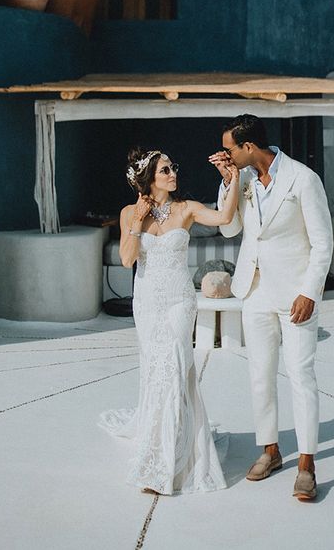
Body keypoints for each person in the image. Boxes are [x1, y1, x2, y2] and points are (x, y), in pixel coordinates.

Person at [100, 147, 240, 495]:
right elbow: (127, 260)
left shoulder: (185, 209)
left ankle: (165, 461)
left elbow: (224, 218)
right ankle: (165, 440)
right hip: (147, 303)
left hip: (179, 300)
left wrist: (232, 179)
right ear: (149, 180)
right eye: (165, 170)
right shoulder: (130, 213)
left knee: (175, 367)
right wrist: (136, 223)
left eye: (173, 167)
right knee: (156, 369)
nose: (173, 173)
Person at [209, 115, 333, 502]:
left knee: (301, 376)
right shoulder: (241, 179)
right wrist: (229, 181)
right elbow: (228, 229)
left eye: (229, 149)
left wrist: (309, 291)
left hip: (296, 294)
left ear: (249, 147)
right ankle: (271, 451)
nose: (224, 155)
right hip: (254, 290)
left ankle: (307, 465)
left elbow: (323, 243)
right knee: (260, 376)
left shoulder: (303, 179)